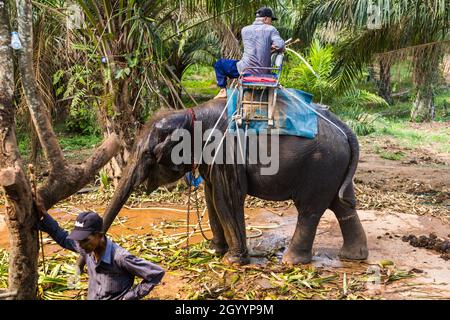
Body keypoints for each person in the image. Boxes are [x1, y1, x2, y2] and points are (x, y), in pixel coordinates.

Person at [37, 207, 165, 300]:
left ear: (99, 236)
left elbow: (156, 273)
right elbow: (63, 238)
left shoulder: (120, 258)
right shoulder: (87, 249)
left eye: (85, 240)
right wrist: (44, 215)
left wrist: (129, 297)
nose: (80, 245)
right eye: (78, 240)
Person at [213, 7, 285, 99]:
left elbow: (255, 47)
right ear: (266, 18)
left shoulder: (245, 30)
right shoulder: (271, 29)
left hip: (245, 69)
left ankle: (223, 90)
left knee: (219, 64)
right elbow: (281, 45)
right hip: (264, 71)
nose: (271, 23)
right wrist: (272, 48)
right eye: (271, 20)